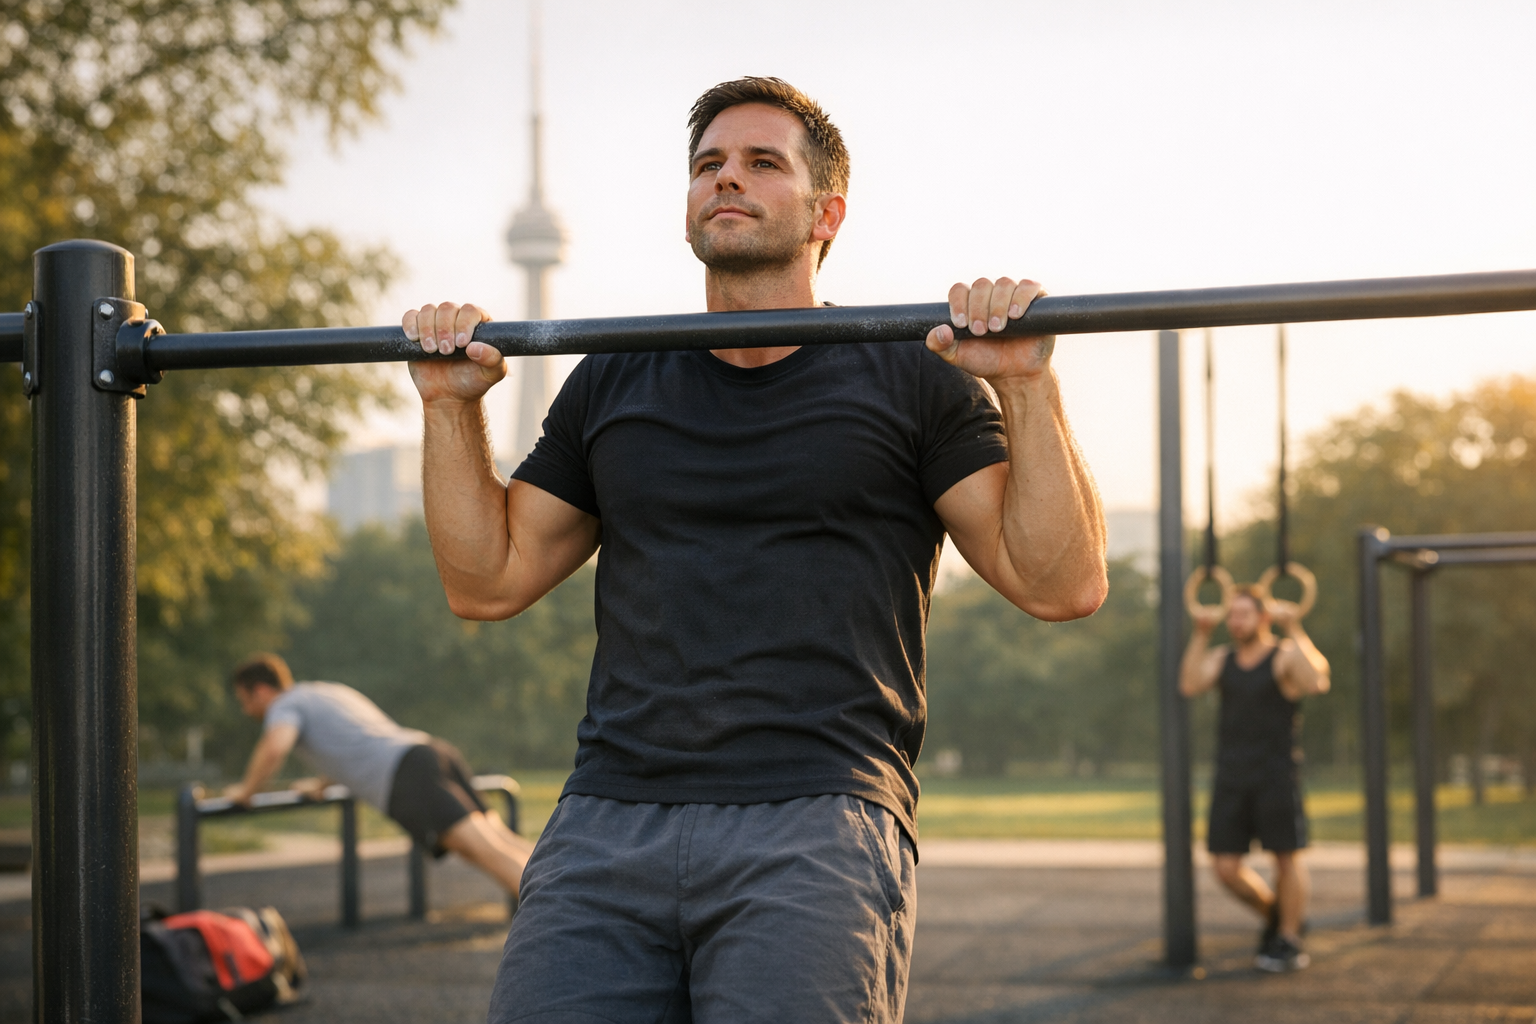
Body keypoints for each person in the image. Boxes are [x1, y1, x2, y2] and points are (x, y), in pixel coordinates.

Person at [403, 77, 1107, 1023]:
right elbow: (485, 582)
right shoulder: (617, 375)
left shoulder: (910, 373)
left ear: (828, 213)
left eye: (760, 163)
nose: (725, 179)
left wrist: (1026, 386)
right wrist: (450, 408)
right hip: (606, 816)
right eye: (707, 166)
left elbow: (1062, 584)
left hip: (817, 815)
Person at [225, 652, 533, 897]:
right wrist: (322, 783)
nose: (245, 710)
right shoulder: (324, 692)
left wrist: (247, 791)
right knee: (500, 843)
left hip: (406, 774)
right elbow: (356, 741)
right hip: (429, 751)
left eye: (244, 700)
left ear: (262, 691)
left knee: (488, 853)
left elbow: (274, 748)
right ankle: (570, 895)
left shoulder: (285, 705)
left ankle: (562, 925)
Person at [1180, 584, 1331, 973]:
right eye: (1232, 614)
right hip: (1231, 775)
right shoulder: (1222, 657)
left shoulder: (1283, 657)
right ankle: (1278, 917)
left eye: (1244, 614)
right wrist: (1199, 633)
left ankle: (1289, 938)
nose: (1236, 621)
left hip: (1275, 775)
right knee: (1225, 869)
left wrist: (1295, 628)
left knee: (1286, 858)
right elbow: (1190, 684)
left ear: (1264, 618)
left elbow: (1316, 681)